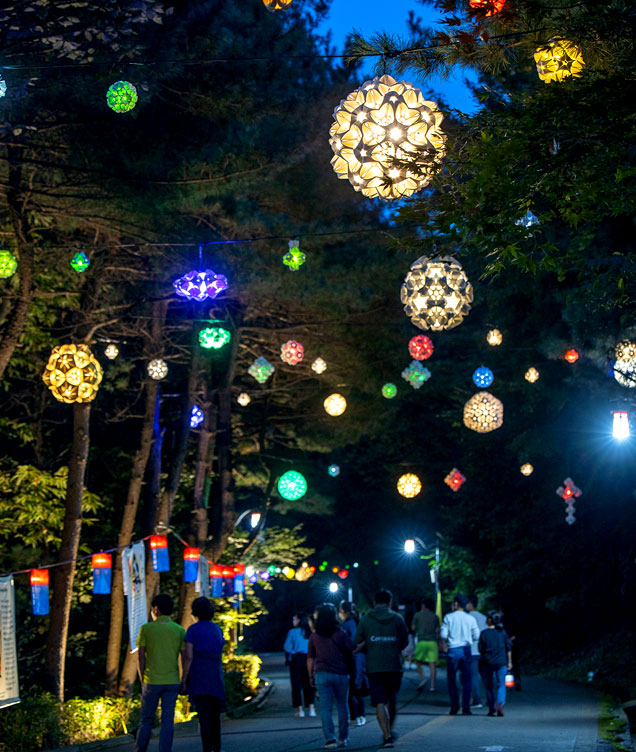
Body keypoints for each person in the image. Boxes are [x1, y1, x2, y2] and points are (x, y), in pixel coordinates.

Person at [354, 589, 408, 749]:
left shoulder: (365, 620)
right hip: (393, 666)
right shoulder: (398, 619)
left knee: (379, 702)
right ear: (389, 602)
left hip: (374, 666)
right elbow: (404, 642)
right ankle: (390, 731)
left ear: (375, 602)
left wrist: (370, 645)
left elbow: (357, 641)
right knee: (392, 700)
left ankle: (386, 736)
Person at [135, 593, 186, 752]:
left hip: (151, 680)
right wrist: (184, 680)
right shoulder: (179, 630)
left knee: (146, 720)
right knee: (167, 721)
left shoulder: (146, 629)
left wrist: (142, 679)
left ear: (156, 609)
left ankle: (140, 750)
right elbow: (185, 658)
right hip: (172, 681)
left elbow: (141, 656)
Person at [181, 597, 226, 752]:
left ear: (195, 612)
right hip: (215, 675)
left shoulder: (192, 630)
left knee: (204, 716)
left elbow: (188, 656)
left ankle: (207, 748)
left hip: (199, 675)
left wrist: (184, 679)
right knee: (215, 717)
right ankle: (217, 747)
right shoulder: (217, 629)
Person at [308, 603, 355, 749]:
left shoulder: (314, 636)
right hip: (341, 674)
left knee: (325, 708)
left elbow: (310, 659)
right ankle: (343, 738)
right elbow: (352, 650)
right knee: (342, 705)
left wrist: (310, 676)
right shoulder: (341, 633)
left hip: (322, 674)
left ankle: (330, 740)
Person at [440, 593, 479, 716]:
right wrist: (469, 639)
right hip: (466, 650)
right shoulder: (471, 618)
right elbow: (477, 636)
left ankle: (454, 706)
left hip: (453, 650)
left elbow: (443, 635)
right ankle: (466, 707)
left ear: (456, 604)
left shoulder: (448, 617)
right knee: (467, 680)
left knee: (452, 680)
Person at [339, 601, 368, 726]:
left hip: (351, 660)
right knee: (359, 688)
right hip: (361, 659)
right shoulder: (359, 623)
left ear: (345, 612)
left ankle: (354, 716)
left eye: (340, 611)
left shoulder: (346, 626)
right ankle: (362, 715)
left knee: (351, 689)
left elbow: (347, 644)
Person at [478, 610, 512, 717]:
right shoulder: (502, 632)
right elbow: (508, 648)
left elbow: (480, 649)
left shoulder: (484, 633)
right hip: (501, 661)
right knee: (501, 684)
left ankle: (491, 708)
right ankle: (500, 703)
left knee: (489, 686)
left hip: (488, 662)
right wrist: (510, 662)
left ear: (489, 620)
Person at [284, 612, 316, 718]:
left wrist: (292, 652)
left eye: (295, 619)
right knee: (309, 683)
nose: (293, 622)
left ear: (299, 621)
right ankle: (311, 708)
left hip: (296, 659)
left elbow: (287, 647)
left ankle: (300, 709)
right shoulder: (310, 632)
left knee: (296, 685)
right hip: (308, 659)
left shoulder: (292, 632)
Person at [412, 597, 440, 691]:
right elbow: (438, 630)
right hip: (432, 642)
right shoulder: (435, 616)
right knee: (432, 664)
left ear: (423, 605)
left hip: (422, 641)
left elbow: (413, 627)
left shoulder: (417, 615)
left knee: (417, 661)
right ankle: (432, 685)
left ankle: (423, 679)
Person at [466, 595, 487, 707]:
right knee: (485, 677)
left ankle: (477, 700)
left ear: (470, 604)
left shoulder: (467, 617)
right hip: (483, 651)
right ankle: (490, 700)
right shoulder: (484, 618)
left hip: (472, 651)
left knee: (473, 676)